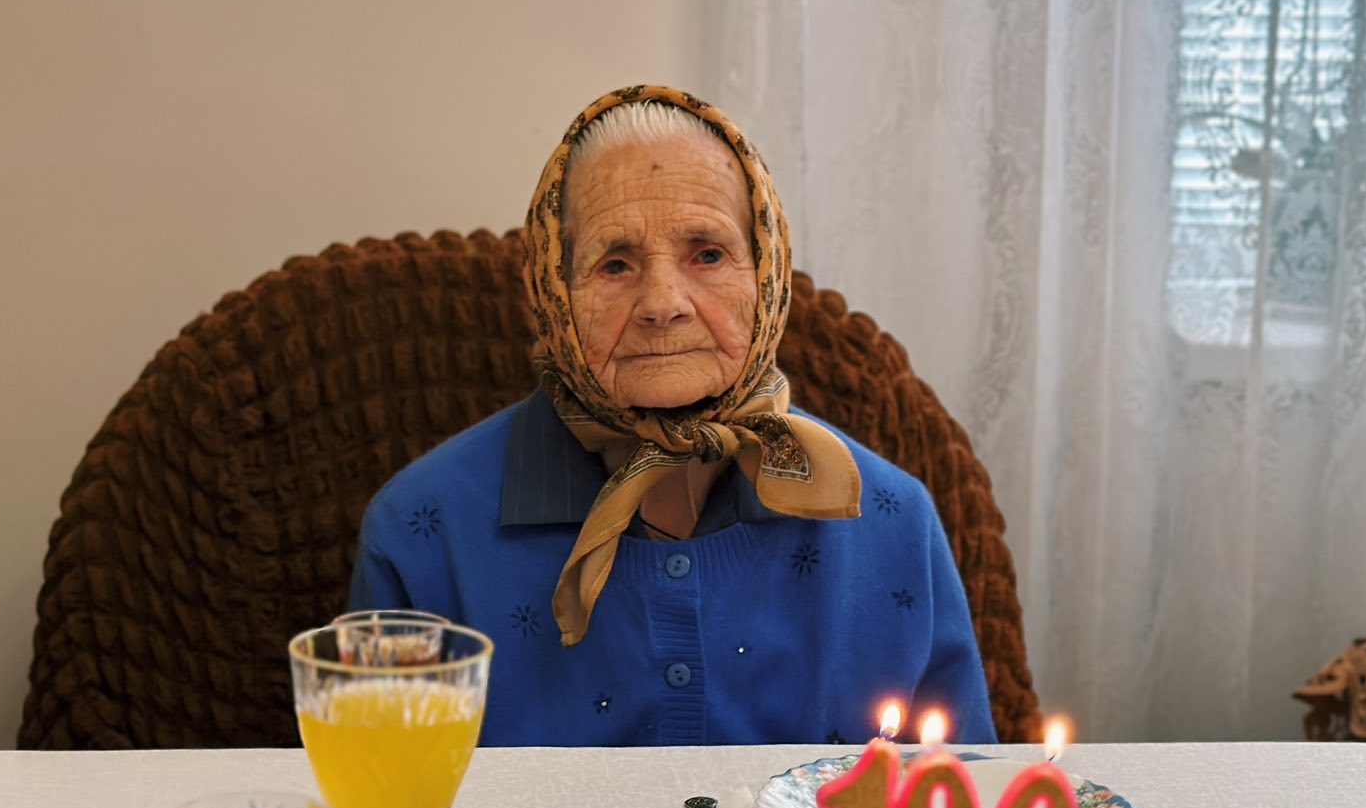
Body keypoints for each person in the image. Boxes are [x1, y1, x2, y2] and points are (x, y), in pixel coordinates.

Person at [349, 84, 994, 747]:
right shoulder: (421, 535)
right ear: (552, 290)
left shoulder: (893, 523)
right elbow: (382, 801)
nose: (663, 303)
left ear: (767, 274)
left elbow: (960, 803)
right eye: (615, 264)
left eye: (708, 254)